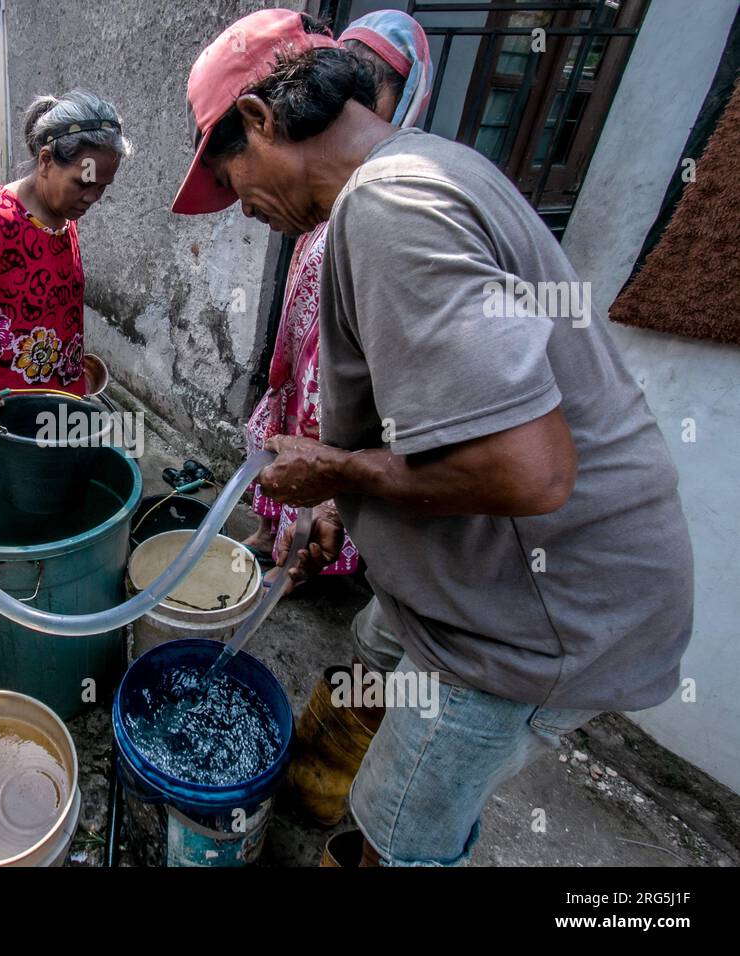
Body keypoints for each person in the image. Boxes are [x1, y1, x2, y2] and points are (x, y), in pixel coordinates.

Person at [173, 8, 693, 867]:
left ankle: (380, 831)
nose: (243, 213)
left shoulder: (389, 209)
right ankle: (312, 782)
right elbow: (442, 411)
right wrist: (355, 498)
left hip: (537, 615)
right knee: (374, 650)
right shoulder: (427, 167)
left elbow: (530, 471)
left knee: (404, 832)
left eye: (232, 183)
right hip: (485, 568)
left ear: (262, 121)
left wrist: (342, 469)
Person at [242, 10, 430, 583]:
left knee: (322, 450)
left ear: (406, 96)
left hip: (339, 359)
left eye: (376, 85)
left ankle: (298, 564)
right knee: (282, 434)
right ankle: (272, 530)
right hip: (306, 342)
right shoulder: (331, 188)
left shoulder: (399, 197)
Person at [0, 91, 129, 442]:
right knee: (10, 488)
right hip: (8, 406)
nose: (92, 198)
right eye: (83, 183)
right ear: (45, 162)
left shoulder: (65, 214)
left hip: (63, 396)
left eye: (103, 187)